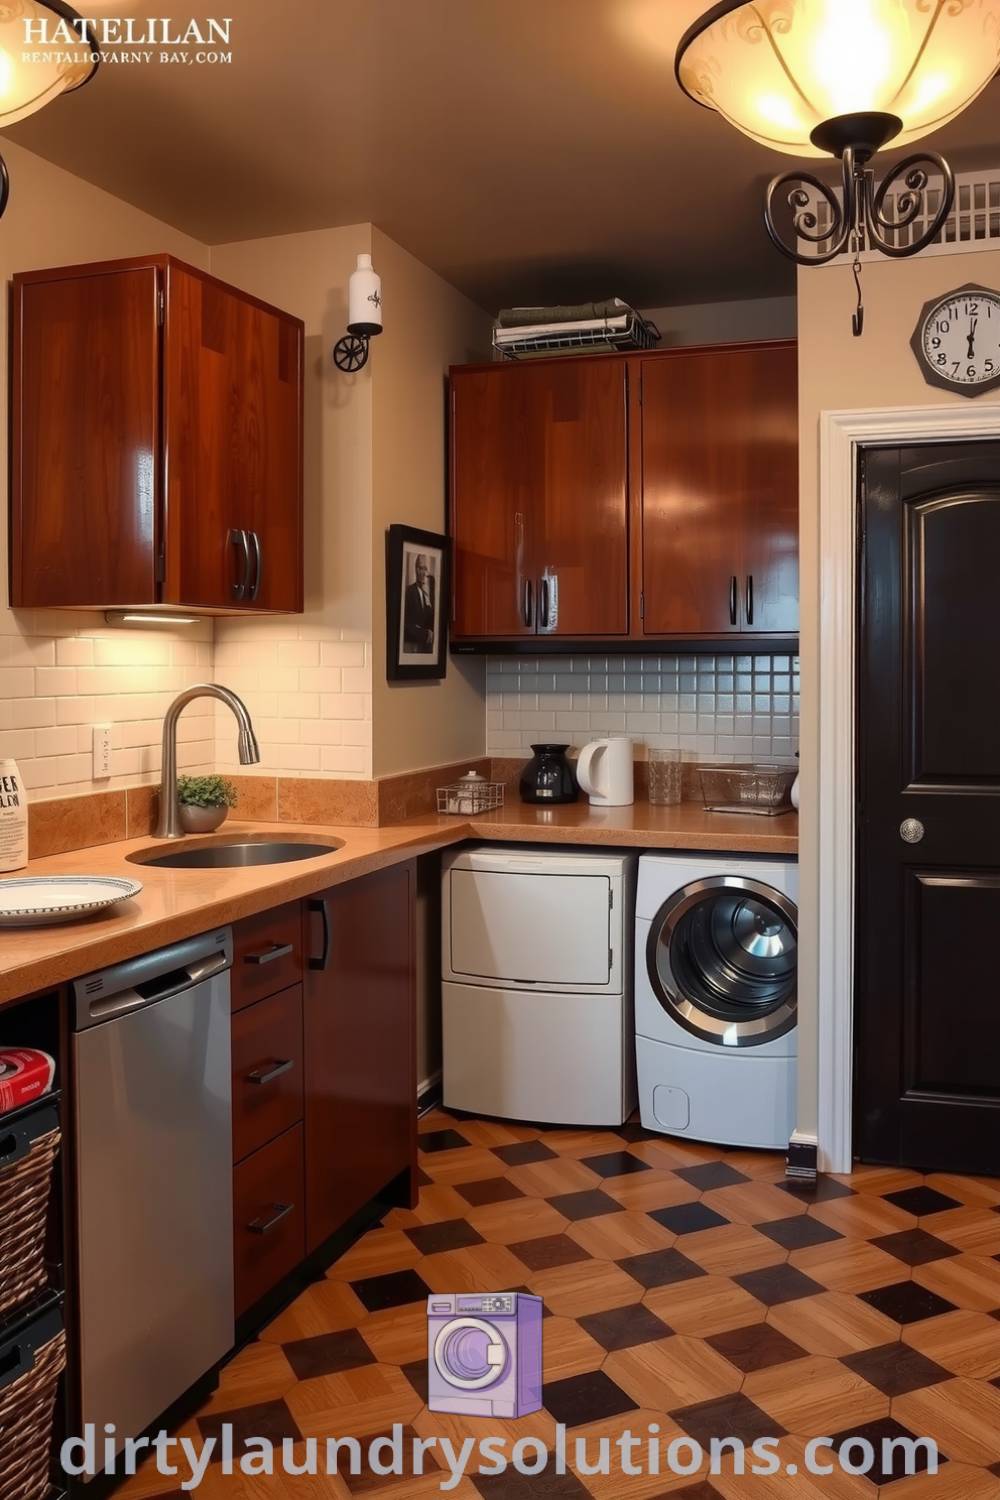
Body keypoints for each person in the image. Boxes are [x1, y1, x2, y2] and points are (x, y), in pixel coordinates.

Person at [403, 553, 436, 652]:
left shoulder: (427, 595)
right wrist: (426, 633)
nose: (423, 572)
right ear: (415, 569)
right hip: (413, 648)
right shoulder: (409, 591)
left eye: (425, 569)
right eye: (420, 568)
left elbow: (431, 621)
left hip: (426, 649)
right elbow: (407, 625)